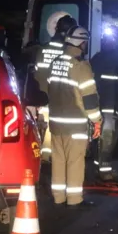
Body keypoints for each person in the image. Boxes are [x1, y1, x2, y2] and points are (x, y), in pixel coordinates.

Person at [47, 26, 102, 207]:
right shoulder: (81, 67)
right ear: (81, 43)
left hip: (56, 123)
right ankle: (74, 200)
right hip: (75, 124)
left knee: (58, 161)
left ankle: (58, 197)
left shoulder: (55, 63)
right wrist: (96, 121)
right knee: (75, 162)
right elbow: (90, 99)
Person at [89, 25, 118, 181]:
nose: (108, 41)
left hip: (110, 105)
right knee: (105, 139)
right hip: (105, 106)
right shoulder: (100, 58)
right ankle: (103, 171)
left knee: (104, 139)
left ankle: (99, 168)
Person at [33, 14, 79, 162]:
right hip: (59, 101)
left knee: (41, 135)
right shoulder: (67, 53)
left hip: (40, 99)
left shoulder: (42, 49)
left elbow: (36, 73)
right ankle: (49, 167)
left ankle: (42, 164)